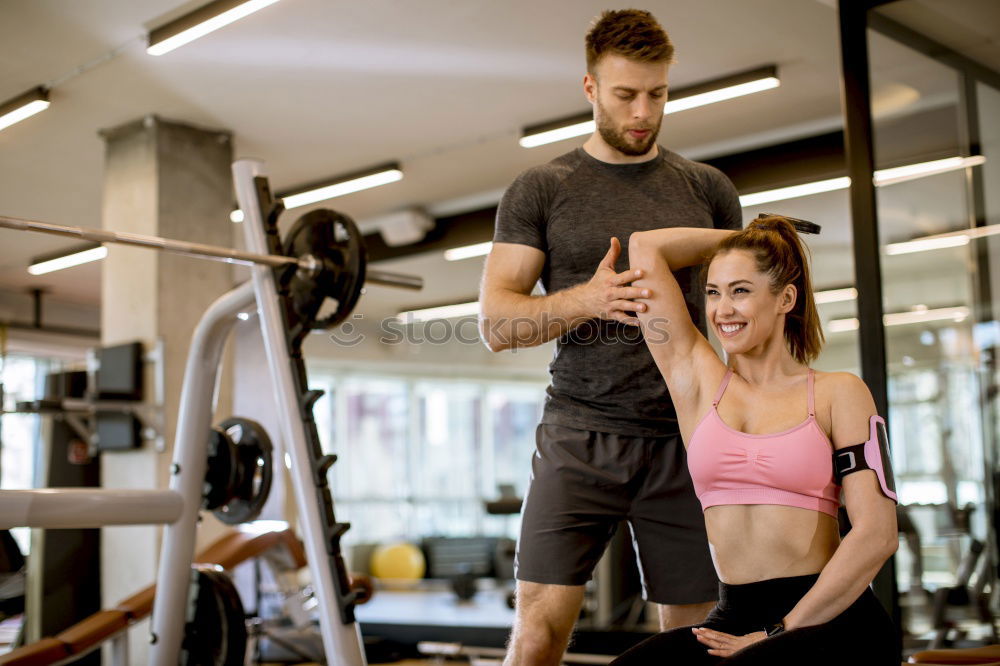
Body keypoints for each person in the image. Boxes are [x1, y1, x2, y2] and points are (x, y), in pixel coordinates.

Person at [478, 9, 742, 665]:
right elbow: (496, 324)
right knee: (539, 632)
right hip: (579, 435)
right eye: (626, 94)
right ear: (591, 88)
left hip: (684, 439)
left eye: (657, 94)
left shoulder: (708, 190)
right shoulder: (542, 188)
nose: (643, 112)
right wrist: (589, 298)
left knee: (690, 643)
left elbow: (732, 320)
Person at [610, 216, 898, 664]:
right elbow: (645, 245)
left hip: (830, 619)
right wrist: (760, 240)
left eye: (740, 290)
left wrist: (780, 631)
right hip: (734, 616)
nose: (722, 309)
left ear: (785, 297)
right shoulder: (697, 382)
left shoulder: (838, 392)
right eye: (713, 292)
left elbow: (878, 535)